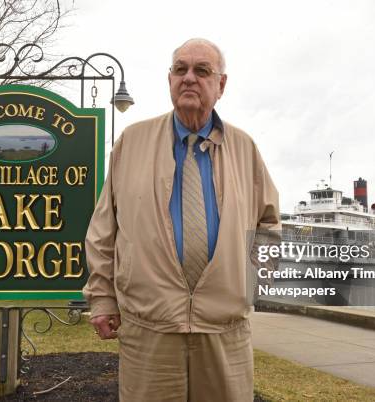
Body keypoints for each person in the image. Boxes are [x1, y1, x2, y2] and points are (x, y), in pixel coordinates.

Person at [83, 38, 280, 402]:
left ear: (221, 85)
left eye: (202, 71)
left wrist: (247, 285)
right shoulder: (131, 142)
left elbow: (268, 225)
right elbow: (103, 230)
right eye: (180, 69)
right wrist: (102, 299)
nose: (189, 78)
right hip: (149, 331)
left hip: (224, 334)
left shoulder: (245, 148)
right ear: (169, 79)